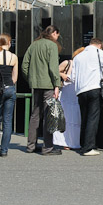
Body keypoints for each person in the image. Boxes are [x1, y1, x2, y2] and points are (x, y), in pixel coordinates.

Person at [70, 37, 103, 156]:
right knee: (93, 118)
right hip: (94, 88)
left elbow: (73, 77)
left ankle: (83, 145)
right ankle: (88, 148)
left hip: (80, 91)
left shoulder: (78, 57)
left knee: (84, 117)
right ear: (100, 45)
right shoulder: (99, 52)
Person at [21, 25, 63, 155]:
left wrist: (31, 79)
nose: (57, 38)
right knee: (48, 115)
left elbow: (24, 65)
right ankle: (47, 147)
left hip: (36, 84)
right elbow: (53, 68)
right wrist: (57, 85)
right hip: (49, 85)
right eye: (57, 35)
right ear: (54, 33)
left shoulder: (34, 45)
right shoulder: (52, 46)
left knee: (35, 115)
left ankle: (31, 146)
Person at [53, 47, 85, 150]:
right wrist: (62, 74)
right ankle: (64, 142)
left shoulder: (84, 66)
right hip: (66, 94)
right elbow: (55, 71)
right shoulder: (68, 63)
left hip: (76, 95)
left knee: (75, 119)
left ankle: (73, 142)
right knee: (66, 118)